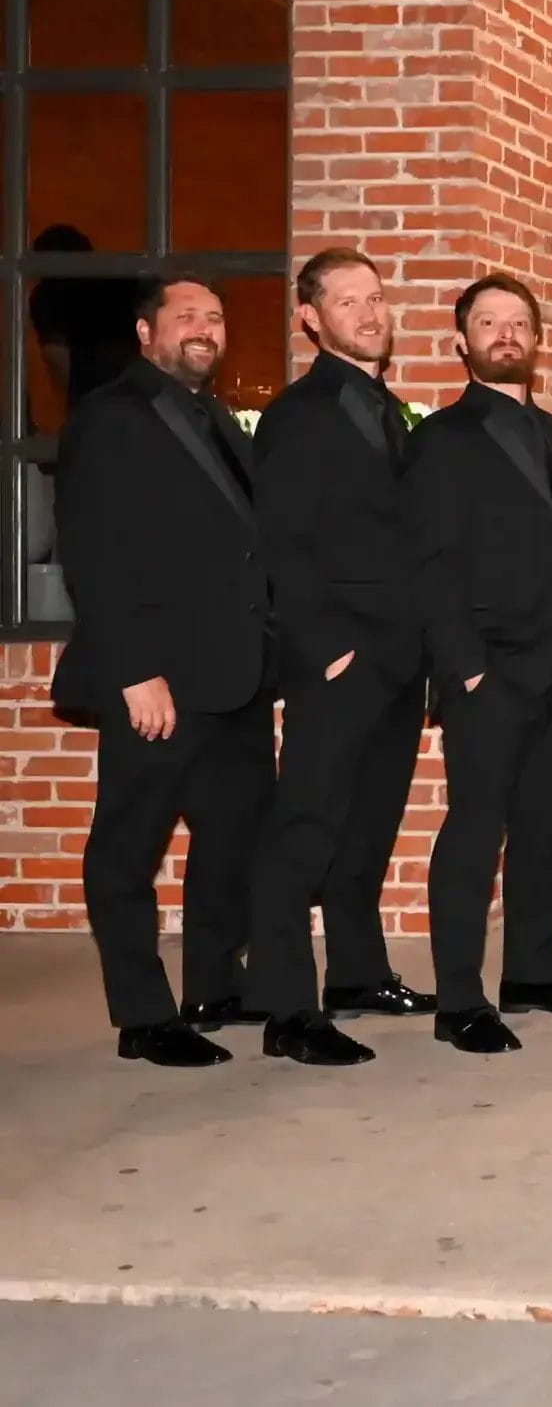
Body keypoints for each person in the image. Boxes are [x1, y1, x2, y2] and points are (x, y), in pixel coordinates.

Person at [53, 276, 272, 1067]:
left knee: (234, 835)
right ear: (147, 332)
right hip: (159, 681)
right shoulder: (113, 415)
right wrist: (135, 671)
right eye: (187, 317)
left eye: (215, 316)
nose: (204, 328)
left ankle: (214, 983)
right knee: (129, 844)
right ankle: (143, 1015)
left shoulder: (215, 418)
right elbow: (92, 549)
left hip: (235, 676)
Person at [404, 274, 552, 1056]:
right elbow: (430, 561)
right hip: (489, 668)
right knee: (474, 830)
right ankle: (459, 997)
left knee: (545, 828)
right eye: (489, 322)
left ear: (535, 338)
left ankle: (532, 969)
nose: (506, 333)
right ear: (463, 342)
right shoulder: (442, 439)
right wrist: (468, 666)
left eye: (519, 322)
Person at [245, 247, 431, 1066]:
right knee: (307, 829)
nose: (368, 312)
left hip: (397, 659)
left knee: (368, 828)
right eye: (348, 301)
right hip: (342, 659)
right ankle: (287, 1008)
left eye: (376, 297)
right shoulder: (299, 412)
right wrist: (327, 652)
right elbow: (283, 544)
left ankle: (356, 972)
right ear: (310, 319)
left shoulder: (383, 405)